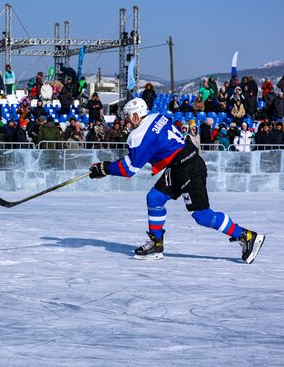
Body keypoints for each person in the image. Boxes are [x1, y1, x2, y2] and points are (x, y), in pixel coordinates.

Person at [88, 97, 264, 263]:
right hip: (180, 164)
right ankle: (156, 244)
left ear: (135, 116)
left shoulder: (138, 135)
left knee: (202, 215)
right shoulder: (157, 116)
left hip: (188, 168)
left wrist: (104, 168)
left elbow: (129, 169)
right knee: (155, 198)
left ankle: (247, 236)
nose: (125, 121)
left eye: (127, 117)